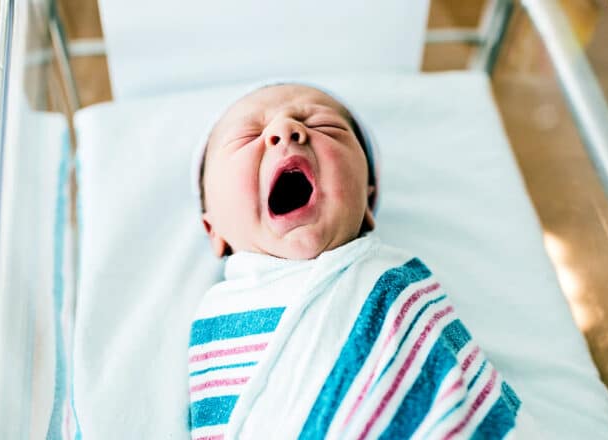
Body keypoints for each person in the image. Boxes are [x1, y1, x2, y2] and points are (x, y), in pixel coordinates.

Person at [188, 83, 536, 439]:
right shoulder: (218, 314)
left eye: (326, 126)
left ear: (368, 202)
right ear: (213, 228)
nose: (286, 130)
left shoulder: (393, 281)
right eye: (247, 136)